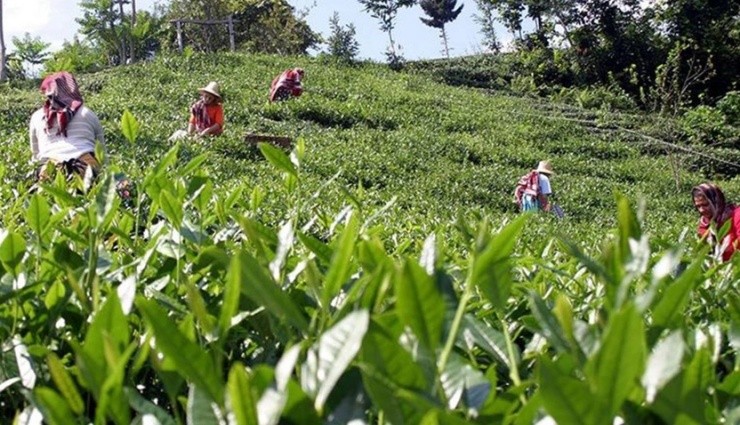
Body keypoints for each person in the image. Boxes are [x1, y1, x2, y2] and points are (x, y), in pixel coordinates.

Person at [29, 71, 105, 183]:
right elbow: (101, 150)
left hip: (50, 169)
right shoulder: (88, 113)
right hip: (86, 167)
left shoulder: (37, 116)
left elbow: (35, 154)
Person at [692, 183, 740, 261]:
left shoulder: (736, 215)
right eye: (698, 206)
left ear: (716, 201)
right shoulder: (704, 225)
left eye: (705, 204)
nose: (701, 210)